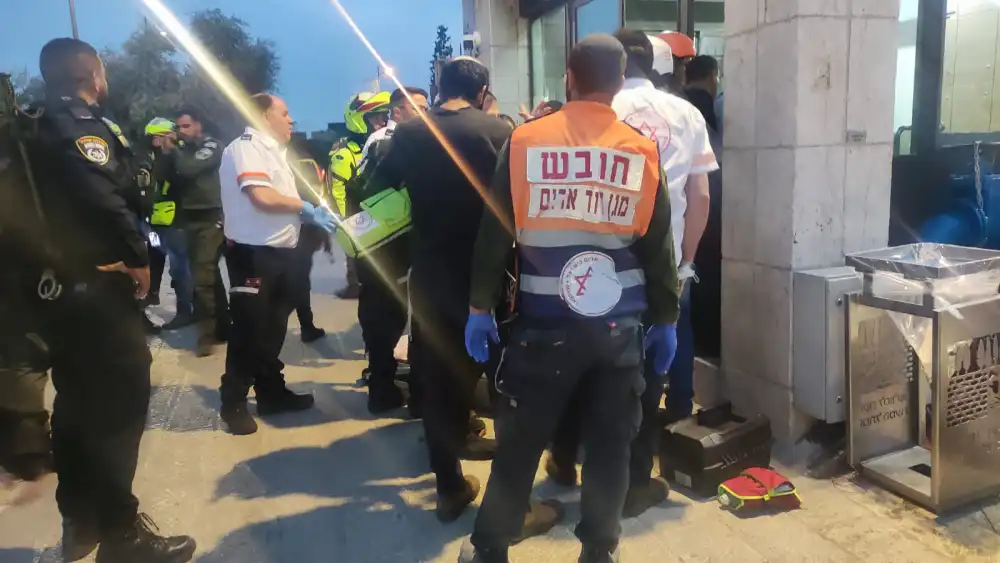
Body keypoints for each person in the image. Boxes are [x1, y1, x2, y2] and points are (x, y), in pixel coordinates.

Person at [458, 34, 681, 563]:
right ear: (618, 82)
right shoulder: (640, 149)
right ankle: (600, 551)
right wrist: (667, 319)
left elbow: (495, 232)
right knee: (609, 450)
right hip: (618, 334)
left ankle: (489, 548)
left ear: (569, 79)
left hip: (543, 329)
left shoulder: (526, 141)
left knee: (519, 446)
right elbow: (658, 247)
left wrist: (478, 308)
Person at [27, 37, 195, 562]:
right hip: (97, 287)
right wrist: (138, 257)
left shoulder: (34, 126)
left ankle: (80, 522)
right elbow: (103, 197)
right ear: (91, 75)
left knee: (76, 406)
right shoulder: (78, 125)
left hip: (56, 291)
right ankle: (122, 535)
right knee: (119, 407)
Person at [547, 29, 717, 517]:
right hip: (661, 272)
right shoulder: (686, 113)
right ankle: (632, 485)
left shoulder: (586, 113)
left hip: (591, 273)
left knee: (577, 369)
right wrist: (683, 265)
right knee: (647, 379)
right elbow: (700, 198)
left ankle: (563, 460)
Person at [367, 57, 523, 523]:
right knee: (506, 384)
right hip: (492, 278)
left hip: (431, 272)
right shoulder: (500, 132)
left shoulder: (410, 134)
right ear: (481, 92)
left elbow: (375, 194)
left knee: (437, 383)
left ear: (439, 88)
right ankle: (515, 501)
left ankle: (448, 486)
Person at [217, 93, 336, 436]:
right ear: (262, 116)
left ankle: (271, 391)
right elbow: (262, 196)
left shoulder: (273, 152)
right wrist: (303, 208)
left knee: (273, 328)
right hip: (255, 255)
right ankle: (233, 402)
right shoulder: (247, 146)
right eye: (284, 113)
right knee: (249, 331)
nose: (291, 120)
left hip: (281, 252)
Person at [354, 86, 427, 415]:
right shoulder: (390, 140)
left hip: (387, 240)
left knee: (390, 314)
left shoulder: (390, 140)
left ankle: (383, 381)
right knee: (384, 315)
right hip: (385, 242)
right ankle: (381, 388)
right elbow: (370, 190)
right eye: (417, 107)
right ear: (397, 112)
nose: (425, 113)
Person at [168, 107, 230, 356]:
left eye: (185, 127)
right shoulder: (181, 152)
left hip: (211, 219)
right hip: (189, 220)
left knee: (202, 278)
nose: (180, 132)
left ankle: (208, 333)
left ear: (198, 126)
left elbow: (189, 169)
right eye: (178, 127)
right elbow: (166, 176)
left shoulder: (211, 146)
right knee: (208, 276)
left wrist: (173, 149)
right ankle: (223, 326)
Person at [328, 91, 391, 300]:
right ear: (358, 119)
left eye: (384, 115)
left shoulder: (387, 140)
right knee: (359, 259)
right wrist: (345, 220)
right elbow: (337, 188)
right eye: (375, 116)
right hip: (358, 212)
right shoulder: (345, 152)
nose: (382, 121)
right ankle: (355, 285)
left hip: (385, 209)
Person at [144, 118, 195, 327]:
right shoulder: (155, 157)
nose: (153, 141)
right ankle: (152, 293)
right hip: (158, 222)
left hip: (176, 222)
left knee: (179, 268)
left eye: (157, 137)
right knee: (154, 259)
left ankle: (185, 311)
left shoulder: (176, 158)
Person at [684, 54, 720, 132]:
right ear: (712, 76)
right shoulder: (704, 101)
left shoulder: (678, 96)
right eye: (717, 76)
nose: (718, 82)